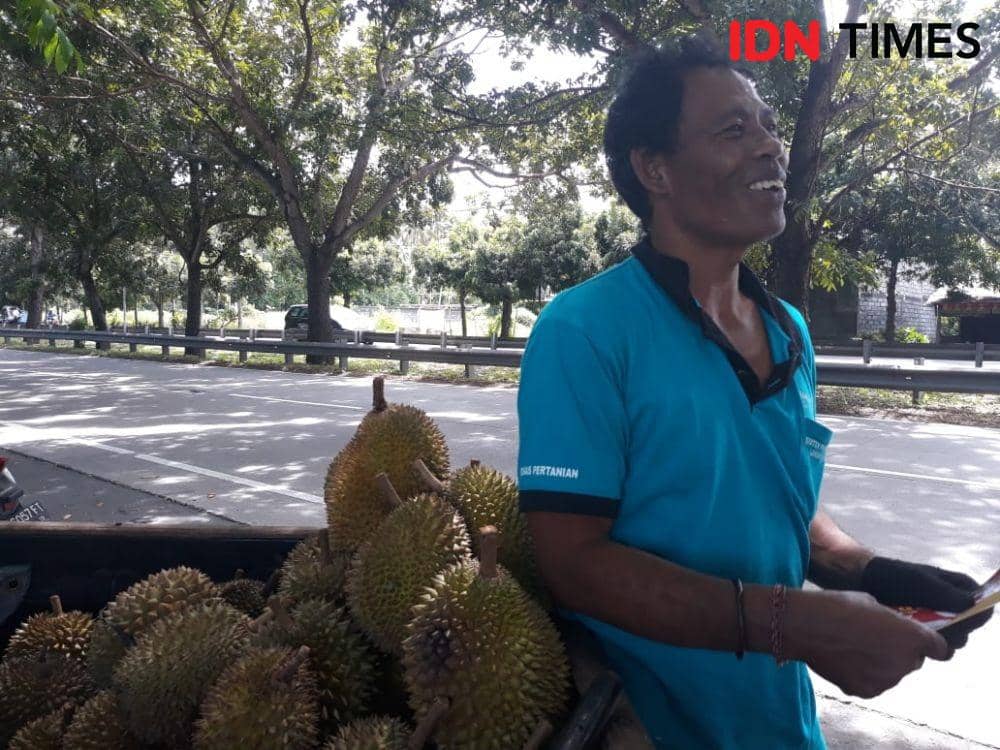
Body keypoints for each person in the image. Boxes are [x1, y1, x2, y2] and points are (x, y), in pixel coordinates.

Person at [516, 38, 992, 749]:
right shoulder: (584, 331)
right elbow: (572, 563)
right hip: (643, 725)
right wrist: (793, 623)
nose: (770, 147)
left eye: (768, 125)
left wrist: (869, 569)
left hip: (779, 723)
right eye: (734, 130)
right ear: (655, 169)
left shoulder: (788, 331)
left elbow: (768, 497)